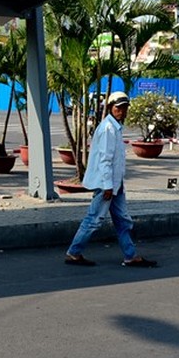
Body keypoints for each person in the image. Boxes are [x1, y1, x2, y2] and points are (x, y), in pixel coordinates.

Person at [64, 91, 158, 268]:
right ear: (109, 108)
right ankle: (74, 252)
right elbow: (105, 160)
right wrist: (108, 186)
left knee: (123, 220)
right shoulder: (108, 129)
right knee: (94, 219)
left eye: (124, 108)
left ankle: (130, 255)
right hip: (106, 184)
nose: (122, 112)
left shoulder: (114, 127)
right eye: (118, 108)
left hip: (115, 184)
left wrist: (115, 185)